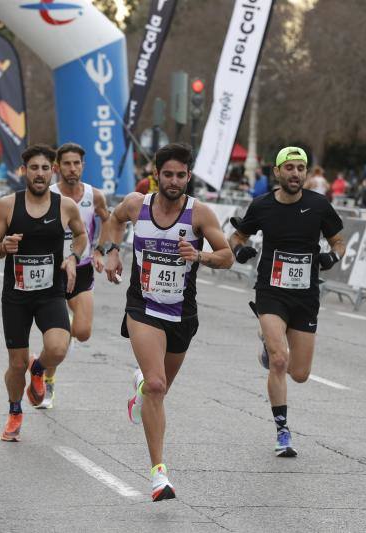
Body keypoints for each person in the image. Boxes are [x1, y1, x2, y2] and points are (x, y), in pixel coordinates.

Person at [101, 143, 234, 501]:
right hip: (143, 306)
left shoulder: (199, 214)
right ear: (155, 175)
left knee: (158, 390)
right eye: (168, 175)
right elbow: (112, 222)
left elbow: (228, 257)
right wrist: (110, 252)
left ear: (188, 177)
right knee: (158, 385)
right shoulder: (136, 204)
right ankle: (159, 475)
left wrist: (200, 255)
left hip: (181, 314)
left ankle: (140, 394)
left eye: (181, 175)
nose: (174, 182)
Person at [229, 146, 345, 458]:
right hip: (271, 291)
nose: (295, 173)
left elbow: (338, 240)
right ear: (277, 173)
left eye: (300, 168)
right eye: (289, 168)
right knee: (280, 360)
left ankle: (270, 345)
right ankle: (282, 430)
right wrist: (239, 251)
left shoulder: (319, 205)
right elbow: (237, 236)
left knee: (300, 373)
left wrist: (331, 256)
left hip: (305, 295)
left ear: (306, 173)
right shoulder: (262, 205)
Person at [0, 144, 88, 442]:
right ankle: (15, 411)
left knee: (58, 348)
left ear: (52, 170)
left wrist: (72, 257)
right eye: (34, 168)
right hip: (16, 296)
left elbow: (81, 236)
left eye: (45, 168)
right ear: (24, 171)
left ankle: (40, 368)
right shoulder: (8, 205)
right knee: (16, 364)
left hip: (50, 292)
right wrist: (3, 247)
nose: (40, 174)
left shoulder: (65, 205)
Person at [42, 143, 110, 409]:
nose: (72, 168)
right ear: (57, 167)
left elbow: (109, 221)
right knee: (57, 344)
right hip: (53, 272)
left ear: (83, 165)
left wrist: (101, 250)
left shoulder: (95, 196)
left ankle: (66, 328)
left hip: (82, 270)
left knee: (82, 333)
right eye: (67, 164)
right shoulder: (48, 194)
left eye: (77, 163)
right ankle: (48, 377)